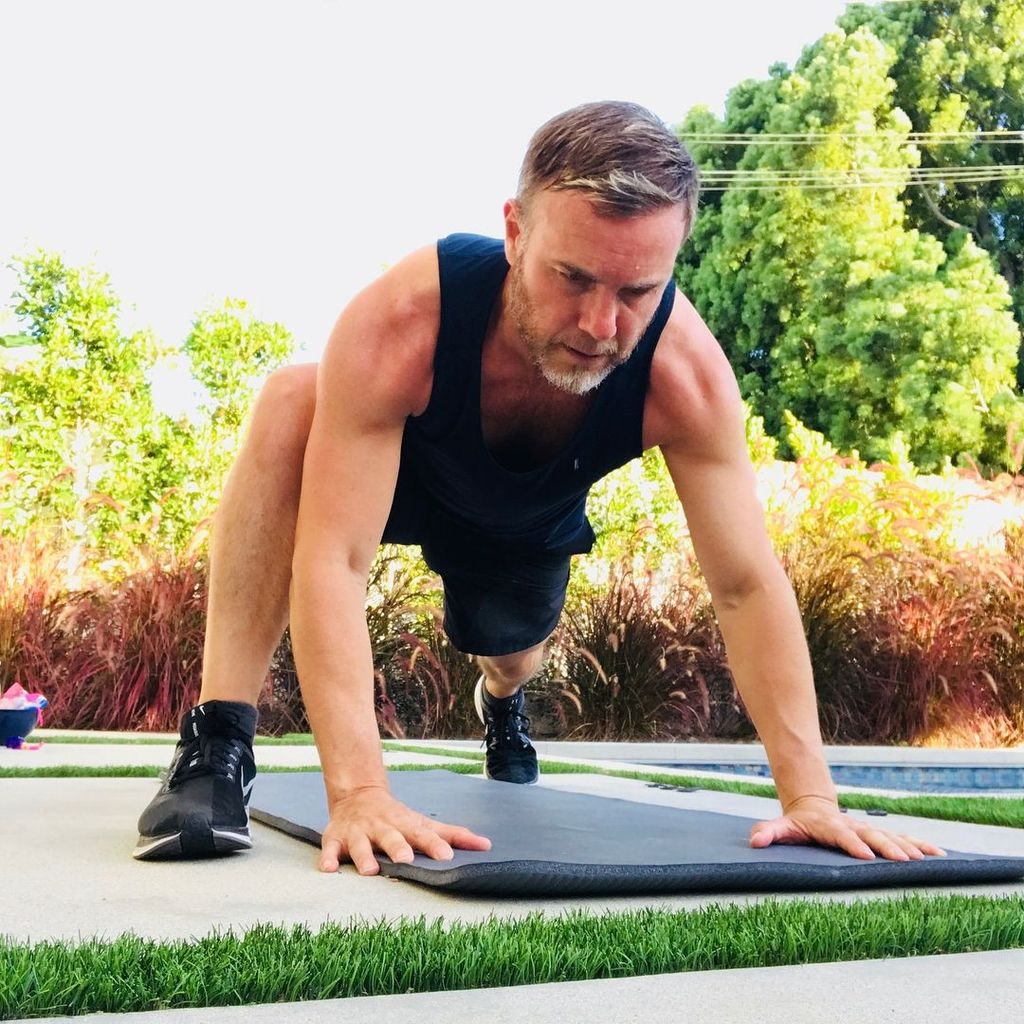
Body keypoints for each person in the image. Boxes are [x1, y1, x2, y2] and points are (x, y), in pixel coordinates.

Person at [134, 100, 946, 872]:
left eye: (637, 292)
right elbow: (336, 558)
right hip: (406, 477)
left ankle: (502, 703)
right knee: (290, 400)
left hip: (527, 525)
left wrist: (811, 796)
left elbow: (743, 583)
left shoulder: (685, 374)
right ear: (516, 232)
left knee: (510, 653)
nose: (601, 326)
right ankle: (215, 747)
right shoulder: (404, 320)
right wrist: (359, 794)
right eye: (574, 278)